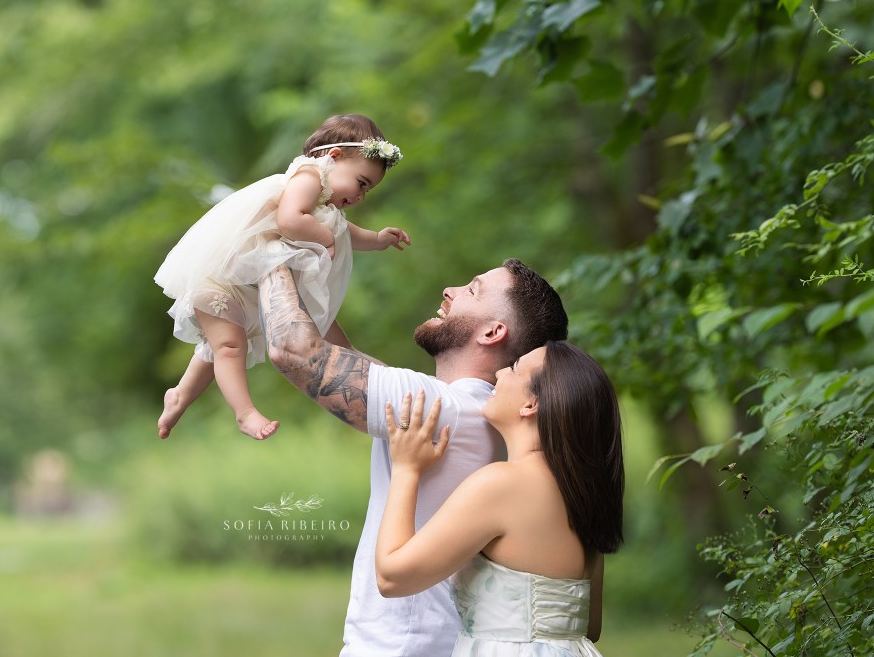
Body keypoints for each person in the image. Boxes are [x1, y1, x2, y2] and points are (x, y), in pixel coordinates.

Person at [257, 257, 569, 656]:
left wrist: (267, 251)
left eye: (471, 290)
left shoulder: (445, 409)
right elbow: (343, 358)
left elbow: (294, 351)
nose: (449, 291)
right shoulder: (474, 410)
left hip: (402, 645)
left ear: (493, 331)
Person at [154, 114, 410, 441]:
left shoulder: (328, 207)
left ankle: (179, 396)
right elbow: (290, 219)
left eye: (368, 190)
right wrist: (326, 239)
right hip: (224, 280)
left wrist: (376, 240)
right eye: (362, 183)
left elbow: (346, 233)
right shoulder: (309, 176)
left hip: (254, 289)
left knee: (322, 340)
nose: (361, 196)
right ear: (333, 157)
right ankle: (244, 413)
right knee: (229, 346)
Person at [376, 341, 625, 656]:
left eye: (515, 369)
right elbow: (590, 626)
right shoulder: (583, 498)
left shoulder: (501, 485)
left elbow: (392, 577)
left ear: (530, 404)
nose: (499, 373)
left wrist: (406, 469)